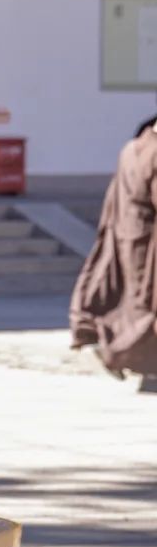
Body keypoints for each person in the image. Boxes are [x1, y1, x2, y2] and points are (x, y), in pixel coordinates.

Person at [70, 121, 157, 381]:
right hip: (147, 240)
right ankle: (121, 354)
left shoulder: (132, 148)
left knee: (132, 302)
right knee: (144, 306)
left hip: (126, 234)